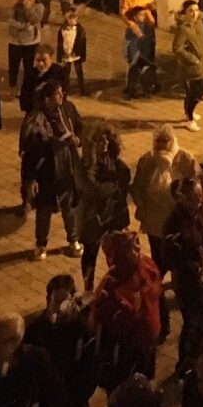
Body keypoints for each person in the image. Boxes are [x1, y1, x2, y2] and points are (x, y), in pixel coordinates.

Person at [131, 124, 201, 339]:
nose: (161, 145)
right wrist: (142, 208)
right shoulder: (146, 161)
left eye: (165, 141)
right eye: (158, 141)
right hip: (155, 227)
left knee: (182, 274)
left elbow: (198, 188)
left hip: (179, 228)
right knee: (157, 276)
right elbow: (137, 188)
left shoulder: (185, 159)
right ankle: (162, 321)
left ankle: (190, 316)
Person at [163, 177, 203, 376]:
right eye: (195, 197)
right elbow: (169, 256)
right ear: (182, 198)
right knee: (193, 322)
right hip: (189, 283)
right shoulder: (173, 223)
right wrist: (194, 266)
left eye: (201, 195)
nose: (200, 200)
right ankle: (185, 365)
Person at [92, 231, 163, 391]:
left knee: (147, 382)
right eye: (131, 246)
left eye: (136, 242)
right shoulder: (111, 286)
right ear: (120, 254)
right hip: (129, 352)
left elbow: (158, 290)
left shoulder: (146, 265)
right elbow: (111, 325)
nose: (138, 247)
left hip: (148, 343)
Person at [21, 79, 82, 261]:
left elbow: (80, 126)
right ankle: (41, 244)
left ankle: (73, 240)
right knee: (44, 209)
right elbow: (29, 152)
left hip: (66, 167)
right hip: (46, 170)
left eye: (62, 92)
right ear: (47, 98)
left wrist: (77, 139)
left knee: (68, 207)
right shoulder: (35, 119)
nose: (62, 95)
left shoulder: (67, 109)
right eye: (58, 93)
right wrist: (30, 178)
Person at [22, 274, 97, 407]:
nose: (59, 307)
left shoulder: (81, 331)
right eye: (56, 301)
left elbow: (90, 372)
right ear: (48, 299)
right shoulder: (35, 330)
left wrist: (77, 398)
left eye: (65, 301)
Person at [76, 123, 131, 290]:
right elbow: (94, 190)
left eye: (107, 140)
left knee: (118, 253)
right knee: (91, 253)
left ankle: (118, 285)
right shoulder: (84, 166)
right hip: (93, 218)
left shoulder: (116, 163)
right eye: (100, 140)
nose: (105, 143)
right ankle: (88, 288)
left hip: (114, 215)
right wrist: (114, 186)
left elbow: (125, 181)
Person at [174, 0, 203, 132]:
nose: (194, 13)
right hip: (192, 67)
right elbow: (177, 48)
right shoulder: (183, 29)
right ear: (185, 12)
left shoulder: (199, 22)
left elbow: (202, 38)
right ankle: (189, 119)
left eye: (196, 10)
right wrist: (192, 58)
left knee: (195, 93)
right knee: (195, 94)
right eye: (191, 11)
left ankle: (188, 112)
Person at [7, 0, 44, 95]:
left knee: (28, 67)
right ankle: (13, 89)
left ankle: (27, 89)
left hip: (31, 42)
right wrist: (23, 26)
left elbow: (35, 19)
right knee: (13, 67)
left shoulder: (39, 7)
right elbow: (11, 21)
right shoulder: (17, 6)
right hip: (15, 41)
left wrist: (28, 8)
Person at [19, 43, 66, 114]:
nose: (41, 64)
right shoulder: (30, 75)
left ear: (51, 58)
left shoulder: (59, 72)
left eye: (44, 60)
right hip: (35, 113)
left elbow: (63, 97)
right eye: (38, 60)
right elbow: (23, 102)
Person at [123, 5, 158, 99]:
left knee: (145, 72)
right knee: (134, 72)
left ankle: (145, 88)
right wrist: (128, 54)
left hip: (144, 54)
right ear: (135, 17)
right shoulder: (131, 28)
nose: (143, 17)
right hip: (136, 54)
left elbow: (150, 41)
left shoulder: (147, 27)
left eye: (144, 15)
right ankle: (133, 90)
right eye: (141, 15)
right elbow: (128, 42)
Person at [56, 7, 87, 96]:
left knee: (79, 72)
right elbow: (59, 43)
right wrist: (60, 55)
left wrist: (77, 52)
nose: (73, 20)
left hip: (76, 55)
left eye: (74, 18)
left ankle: (82, 90)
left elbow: (81, 43)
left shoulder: (80, 30)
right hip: (66, 54)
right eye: (71, 18)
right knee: (66, 73)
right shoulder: (62, 29)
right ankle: (65, 89)